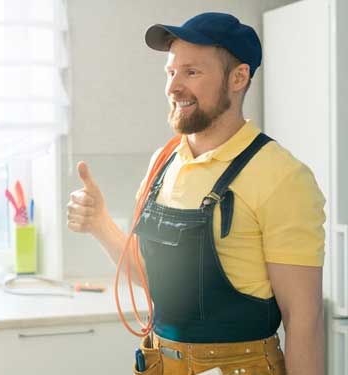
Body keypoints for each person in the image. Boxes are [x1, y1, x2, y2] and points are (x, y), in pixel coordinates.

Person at [67, 12, 324, 375]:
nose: (174, 86)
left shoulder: (283, 177)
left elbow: (304, 322)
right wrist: (99, 222)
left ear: (238, 77)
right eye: (171, 72)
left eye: (192, 72)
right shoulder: (164, 162)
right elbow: (149, 277)